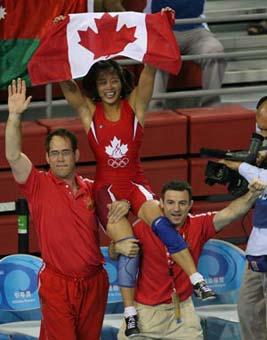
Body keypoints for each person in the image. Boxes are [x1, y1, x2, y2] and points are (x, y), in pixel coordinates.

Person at [57, 8, 215, 337]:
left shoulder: (135, 108)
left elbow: (149, 72)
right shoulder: (90, 112)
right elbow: (69, 89)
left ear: (121, 81)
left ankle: (197, 281)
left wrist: (158, 29)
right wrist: (60, 40)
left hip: (135, 183)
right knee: (128, 246)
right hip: (106, 191)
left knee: (161, 224)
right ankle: (130, 313)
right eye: (102, 82)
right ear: (96, 87)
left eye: (114, 79)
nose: (109, 86)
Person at [5, 78, 130, 340]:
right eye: (55, 153)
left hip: (95, 283)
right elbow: (14, 155)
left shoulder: (94, 189)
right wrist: (15, 116)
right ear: (47, 158)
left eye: (65, 152)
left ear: (76, 155)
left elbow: (120, 223)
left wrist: (126, 203)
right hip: (57, 284)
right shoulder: (37, 183)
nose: (60, 158)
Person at [108, 179, 266, 339]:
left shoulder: (198, 224)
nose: (176, 209)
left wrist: (252, 194)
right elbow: (115, 253)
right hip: (144, 314)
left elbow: (231, 212)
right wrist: (116, 248)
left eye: (182, 203)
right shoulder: (143, 226)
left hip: (183, 313)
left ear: (190, 205)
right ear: (161, 203)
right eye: (170, 202)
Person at [221, 96, 267, 340]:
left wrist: (239, 167)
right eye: (260, 128)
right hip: (258, 251)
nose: (262, 135)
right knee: (248, 312)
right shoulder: (260, 157)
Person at [122, 0, 226, 108]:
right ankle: (154, 110)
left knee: (215, 51)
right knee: (158, 55)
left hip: (195, 29)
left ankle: (211, 107)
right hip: (163, 28)